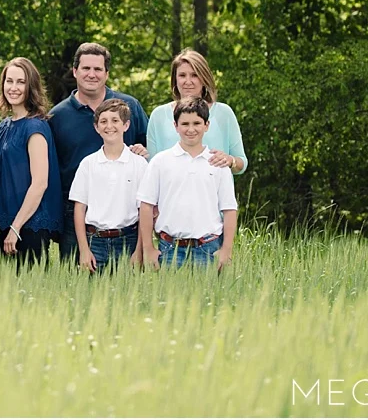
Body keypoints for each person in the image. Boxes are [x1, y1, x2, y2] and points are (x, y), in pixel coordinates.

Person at [48, 42, 149, 264]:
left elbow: (150, 149)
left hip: (125, 216)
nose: (91, 74)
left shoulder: (129, 107)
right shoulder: (57, 116)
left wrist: (145, 151)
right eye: (86, 68)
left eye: (98, 69)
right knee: (76, 279)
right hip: (75, 212)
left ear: (107, 73)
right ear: (75, 71)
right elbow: (49, 170)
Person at [136, 97, 237, 270]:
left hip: (208, 248)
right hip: (169, 248)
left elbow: (229, 209)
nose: (191, 129)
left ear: (207, 125)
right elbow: (146, 205)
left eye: (197, 123)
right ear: (175, 126)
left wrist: (226, 249)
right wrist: (148, 248)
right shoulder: (160, 161)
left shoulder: (218, 163)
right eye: (185, 124)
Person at [0, 57, 62, 266]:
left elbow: (40, 183)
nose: (13, 87)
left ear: (31, 86)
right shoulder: (4, 126)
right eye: (9, 81)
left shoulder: (35, 127)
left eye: (20, 82)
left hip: (29, 226)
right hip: (7, 222)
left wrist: (16, 228)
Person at [69, 99, 148, 274]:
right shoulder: (88, 164)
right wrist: (84, 250)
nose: (109, 126)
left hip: (128, 240)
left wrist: (140, 250)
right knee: (95, 290)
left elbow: (144, 210)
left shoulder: (139, 164)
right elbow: (79, 208)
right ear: (96, 127)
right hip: (95, 241)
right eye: (103, 121)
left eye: (115, 120)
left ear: (126, 125)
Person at [146, 48, 248, 174]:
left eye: (194, 75)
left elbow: (242, 164)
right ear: (175, 79)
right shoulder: (158, 116)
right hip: (171, 186)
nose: (188, 81)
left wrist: (230, 161)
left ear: (204, 78)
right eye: (182, 75)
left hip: (213, 185)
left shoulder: (224, 113)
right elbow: (151, 165)